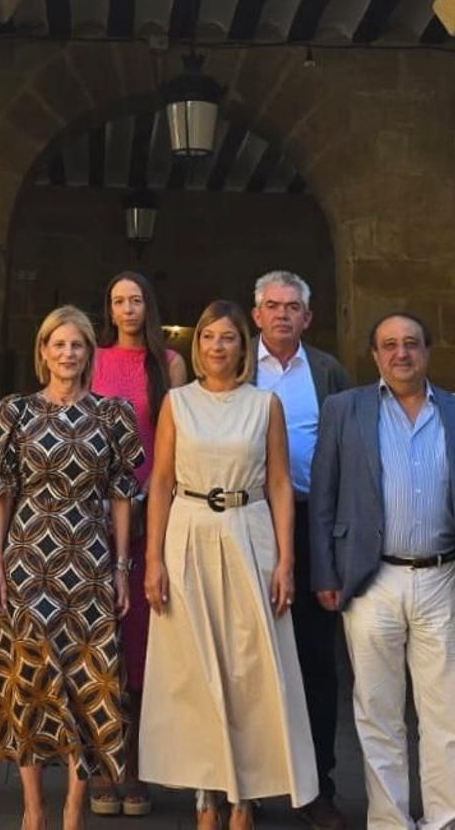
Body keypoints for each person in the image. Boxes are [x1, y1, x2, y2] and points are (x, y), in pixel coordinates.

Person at [309, 311, 455, 830]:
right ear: (374, 355)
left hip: (444, 578)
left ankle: (444, 822)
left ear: (427, 350)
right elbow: (323, 497)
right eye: (389, 345)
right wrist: (325, 572)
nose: (401, 354)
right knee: (378, 714)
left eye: (411, 343)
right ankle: (390, 822)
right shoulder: (345, 410)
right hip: (371, 580)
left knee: (447, 719)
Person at [140, 299, 316, 828]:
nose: (218, 346)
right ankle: (205, 796)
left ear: (244, 346)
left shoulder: (265, 404)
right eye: (209, 337)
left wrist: (286, 559)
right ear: (198, 346)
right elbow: (162, 482)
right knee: (195, 669)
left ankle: (246, 796)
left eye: (229, 338)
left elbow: (281, 482)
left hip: (249, 530)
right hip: (189, 530)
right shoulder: (177, 401)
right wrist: (153, 558)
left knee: (249, 667)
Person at [0, 305, 143, 830]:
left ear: (88, 354)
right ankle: (33, 808)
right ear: (43, 352)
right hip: (29, 561)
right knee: (27, 683)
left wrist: (122, 568)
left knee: (88, 683)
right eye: (58, 345)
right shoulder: (16, 412)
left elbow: (124, 493)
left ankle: (75, 807)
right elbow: (1, 492)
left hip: (91, 563)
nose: (67, 354)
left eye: (77, 345)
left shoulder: (112, 414)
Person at [249, 269, 350, 830]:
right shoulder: (238, 367)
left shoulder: (328, 372)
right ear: (256, 314)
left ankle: (319, 788)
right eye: (272, 305)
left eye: (293, 306)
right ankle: (251, 784)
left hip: (312, 525)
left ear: (307, 317)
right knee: (252, 658)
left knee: (315, 661)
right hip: (247, 519)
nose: (283, 314)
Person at [88, 271, 186, 818]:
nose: (128, 309)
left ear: (150, 306)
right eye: (118, 300)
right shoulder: (95, 359)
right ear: (109, 308)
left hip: (154, 513)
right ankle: (104, 763)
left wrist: (156, 490)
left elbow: (176, 438)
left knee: (144, 645)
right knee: (101, 643)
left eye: (137, 300)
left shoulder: (168, 365)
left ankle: (137, 764)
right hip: (95, 517)